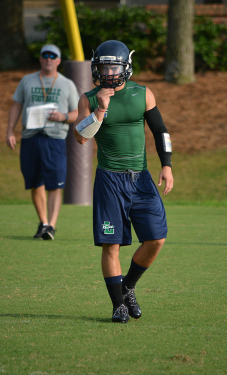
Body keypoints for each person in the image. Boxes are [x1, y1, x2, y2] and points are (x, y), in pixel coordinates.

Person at [74, 40, 174, 323]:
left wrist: (167, 165)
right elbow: (80, 137)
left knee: (156, 239)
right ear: (97, 66)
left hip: (140, 179)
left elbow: (161, 131)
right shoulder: (90, 98)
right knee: (111, 245)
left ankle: (127, 286)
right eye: (104, 65)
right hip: (109, 180)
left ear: (125, 67)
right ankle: (118, 304)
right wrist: (100, 111)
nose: (109, 71)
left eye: (114, 65)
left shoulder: (142, 94)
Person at [6, 44, 79, 240]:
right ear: (40, 59)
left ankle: (51, 226)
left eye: (52, 56)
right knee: (34, 182)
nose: (48, 59)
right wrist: (10, 131)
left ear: (58, 60)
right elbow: (16, 105)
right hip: (30, 137)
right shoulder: (27, 81)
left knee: (55, 184)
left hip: (54, 139)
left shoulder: (66, 84)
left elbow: (78, 112)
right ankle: (43, 222)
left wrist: (63, 116)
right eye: (45, 55)